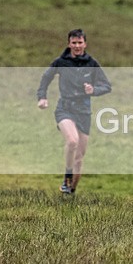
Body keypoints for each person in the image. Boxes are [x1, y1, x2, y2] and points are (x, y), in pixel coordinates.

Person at [37, 29, 111, 195]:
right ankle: (67, 175)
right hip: (65, 108)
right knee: (72, 141)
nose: (77, 46)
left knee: (79, 157)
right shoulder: (61, 62)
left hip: (84, 111)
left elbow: (106, 86)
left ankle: (70, 191)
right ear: (69, 44)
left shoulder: (92, 63)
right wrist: (42, 97)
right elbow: (46, 78)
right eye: (74, 43)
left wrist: (93, 90)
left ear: (85, 44)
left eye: (80, 43)